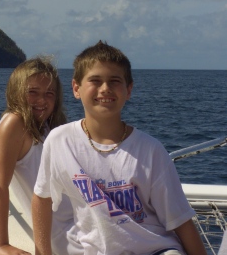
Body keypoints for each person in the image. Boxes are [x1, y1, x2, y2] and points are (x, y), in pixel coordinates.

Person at [32, 41, 207, 255]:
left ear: (128, 90)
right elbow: (42, 198)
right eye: (95, 80)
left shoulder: (151, 150)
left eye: (114, 81)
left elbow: (179, 220)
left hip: (156, 249)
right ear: (76, 88)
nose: (105, 88)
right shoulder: (60, 141)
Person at [0, 57, 81, 255]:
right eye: (33, 92)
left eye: (49, 93)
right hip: (65, 234)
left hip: (81, 219)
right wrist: (1, 245)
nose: (42, 100)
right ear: (17, 92)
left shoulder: (49, 126)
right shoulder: (13, 124)